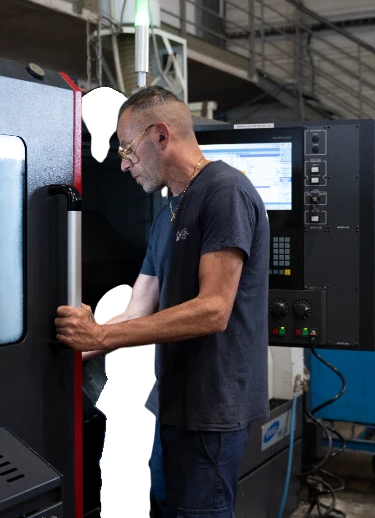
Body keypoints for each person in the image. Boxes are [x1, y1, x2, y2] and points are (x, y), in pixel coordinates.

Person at [56, 86, 270, 518]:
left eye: (128, 150)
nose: (123, 164)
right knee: (165, 508)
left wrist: (97, 333)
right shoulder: (167, 213)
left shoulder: (225, 192)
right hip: (172, 403)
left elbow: (214, 310)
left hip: (212, 410)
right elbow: (139, 308)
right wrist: (73, 349)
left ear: (160, 135)